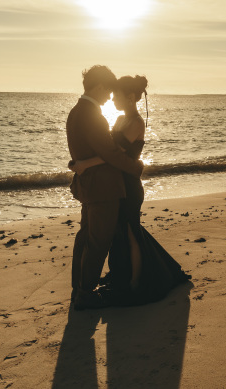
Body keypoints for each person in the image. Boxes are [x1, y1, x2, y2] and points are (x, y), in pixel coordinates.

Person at [71, 75, 190, 306]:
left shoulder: (136, 123)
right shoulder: (118, 121)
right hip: (117, 182)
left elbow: (115, 154)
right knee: (117, 232)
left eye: (116, 96)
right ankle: (122, 277)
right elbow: (109, 153)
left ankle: (136, 283)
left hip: (129, 185)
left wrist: (85, 164)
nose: (113, 99)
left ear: (131, 97)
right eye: (112, 95)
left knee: (131, 230)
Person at [66, 66, 144, 310]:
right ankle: (86, 293)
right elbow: (110, 153)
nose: (110, 96)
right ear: (99, 87)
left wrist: (80, 164)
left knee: (85, 238)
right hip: (102, 188)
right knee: (97, 242)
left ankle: (79, 288)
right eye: (108, 90)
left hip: (90, 186)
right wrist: (136, 168)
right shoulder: (91, 114)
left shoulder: (76, 111)